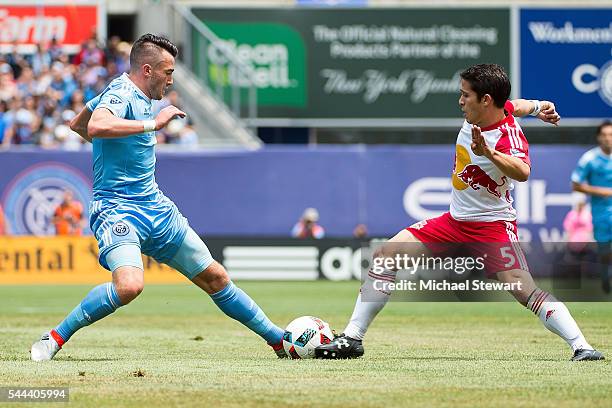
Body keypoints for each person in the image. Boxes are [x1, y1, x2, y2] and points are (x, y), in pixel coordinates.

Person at [316, 64, 604, 362]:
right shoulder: (495, 108)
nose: (460, 100)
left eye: (465, 95)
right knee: (386, 255)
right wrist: (540, 106)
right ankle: (352, 339)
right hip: (454, 222)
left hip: (492, 227)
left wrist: (488, 153)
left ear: (486, 100)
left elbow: (523, 171)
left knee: (524, 291)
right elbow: (517, 105)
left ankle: (582, 347)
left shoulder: (507, 137)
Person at [31, 34, 287, 361]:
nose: (171, 79)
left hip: (156, 208)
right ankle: (54, 337)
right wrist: (152, 124)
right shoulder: (122, 92)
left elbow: (78, 123)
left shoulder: (130, 92)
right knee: (129, 287)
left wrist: (110, 144)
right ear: (148, 70)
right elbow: (96, 125)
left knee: (216, 277)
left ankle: (278, 341)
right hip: (118, 210)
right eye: (167, 72)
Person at [571, 121, 612, 293]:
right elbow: (576, 184)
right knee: (604, 252)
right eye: (604, 135)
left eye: (610, 135)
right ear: (598, 137)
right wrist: (602, 191)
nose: (608, 139)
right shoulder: (590, 159)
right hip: (601, 213)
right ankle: (605, 278)